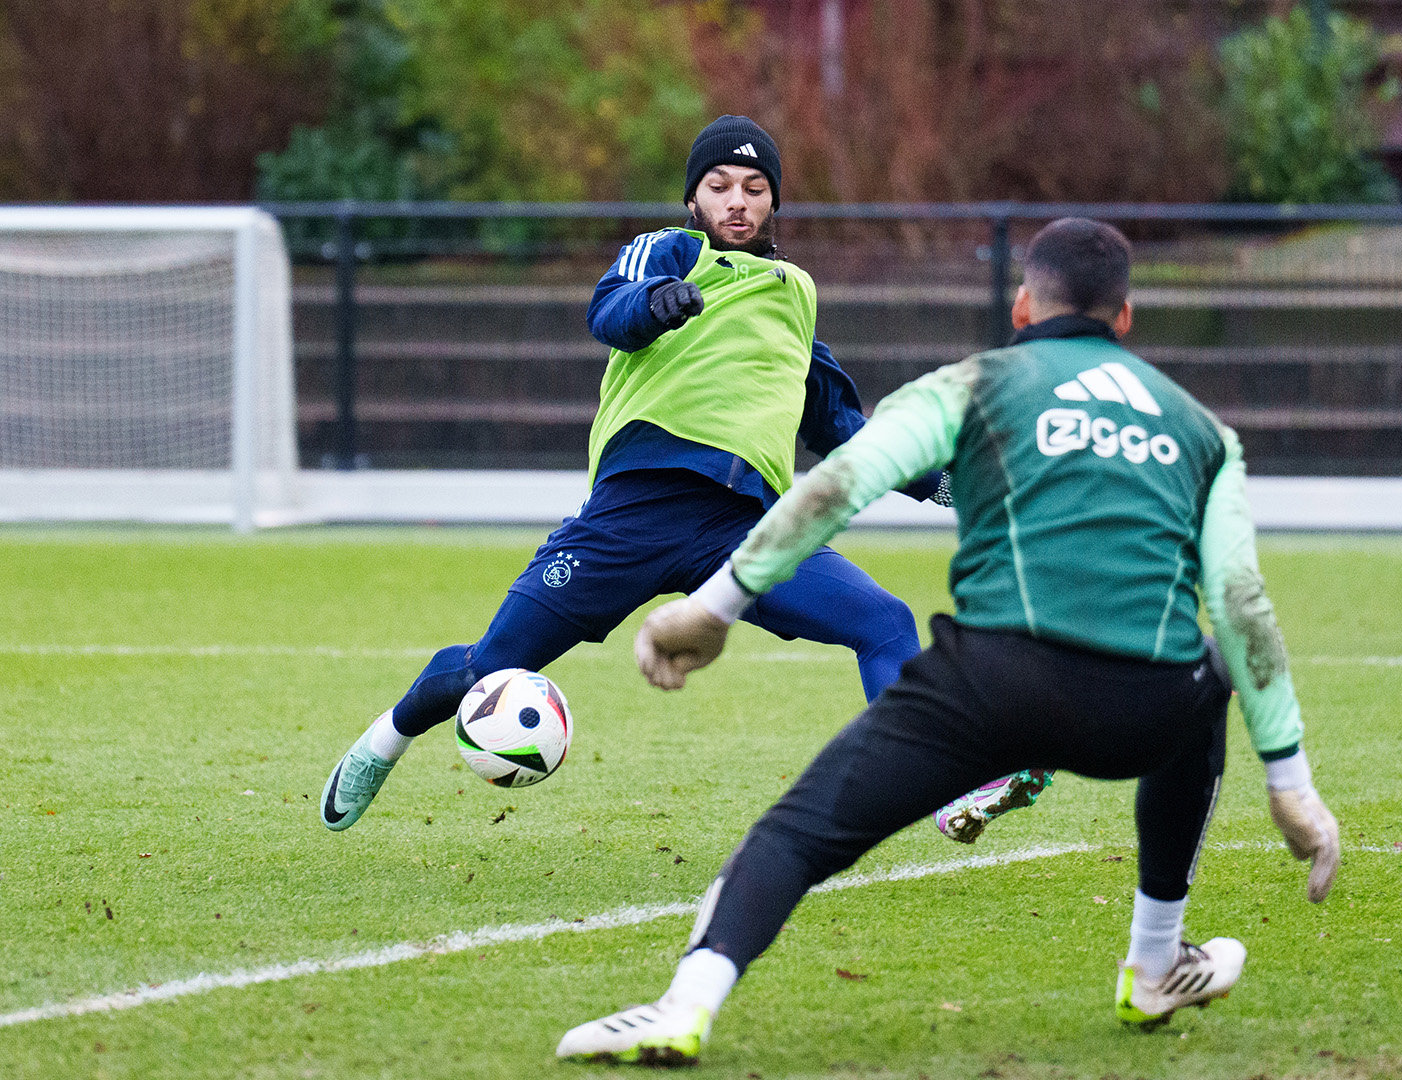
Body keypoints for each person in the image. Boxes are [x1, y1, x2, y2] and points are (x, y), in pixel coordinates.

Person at [553, 218, 1342, 1066]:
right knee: (1206, 681)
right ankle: (1155, 959)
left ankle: (685, 1005)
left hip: (989, 687)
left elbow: (837, 486)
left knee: (796, 835)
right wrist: (1290, 782)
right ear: (1125, 318)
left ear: (1022, 303)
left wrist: (715, 607)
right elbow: (1241, 604)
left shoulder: (974, 384)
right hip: (1141, 706)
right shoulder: (1200, 430)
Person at [319, 115, 961, 829]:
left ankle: (933, 786)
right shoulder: (669, 251)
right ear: (694, 199)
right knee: (487, 669)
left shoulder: (794, 293)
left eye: (754, 188)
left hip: (746, 528)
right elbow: (610, 310)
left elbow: (840, 427)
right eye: (719, 187)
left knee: (883, 621)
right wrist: (655, 305)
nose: (737, 201)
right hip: (632, 514)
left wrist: (948, 486)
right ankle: (387, 738)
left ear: (776, 202)